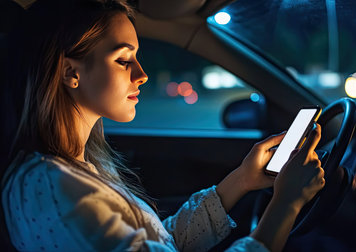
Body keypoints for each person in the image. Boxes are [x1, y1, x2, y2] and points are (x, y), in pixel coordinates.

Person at [0, 0, 325, 251]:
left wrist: (241, 180)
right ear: (71, 73)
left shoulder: (73, 170)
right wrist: (286, 203)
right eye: (124, 60)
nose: (142, 74)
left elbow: (160, 243)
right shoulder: (51, 188)